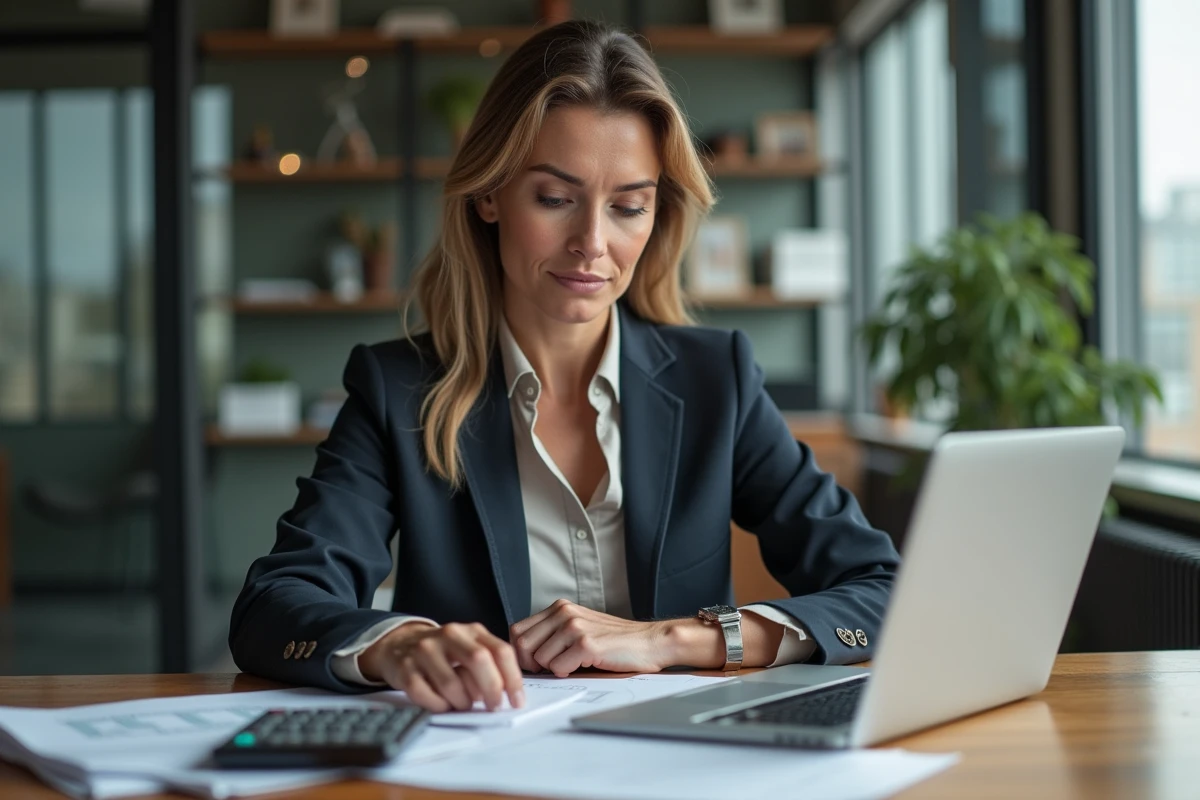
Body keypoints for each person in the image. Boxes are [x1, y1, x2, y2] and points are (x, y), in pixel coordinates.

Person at [228, 19, 900, 714]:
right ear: (489, 194)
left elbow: (880, 589)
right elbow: (273, 607)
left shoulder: (715, 379)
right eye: (554, 199)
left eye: (629, 206)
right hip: (475, 767)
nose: (592, 243)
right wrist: (396, 644)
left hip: (687, 766)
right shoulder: (398, 389)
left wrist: (673, 640)